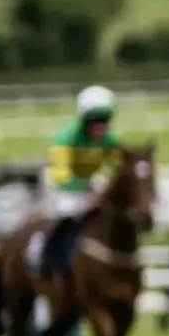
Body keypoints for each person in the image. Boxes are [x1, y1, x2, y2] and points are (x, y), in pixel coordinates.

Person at [41, 85, 124, 277]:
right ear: (84, 120)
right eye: (94, 120)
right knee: (68, 211)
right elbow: (61, 176)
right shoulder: (64, 138)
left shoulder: (110, 141)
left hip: (88, 184)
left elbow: (118, 168)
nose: (100, 126)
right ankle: (48, 260)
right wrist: (88, 195)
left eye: (104, 120)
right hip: (59, 186)